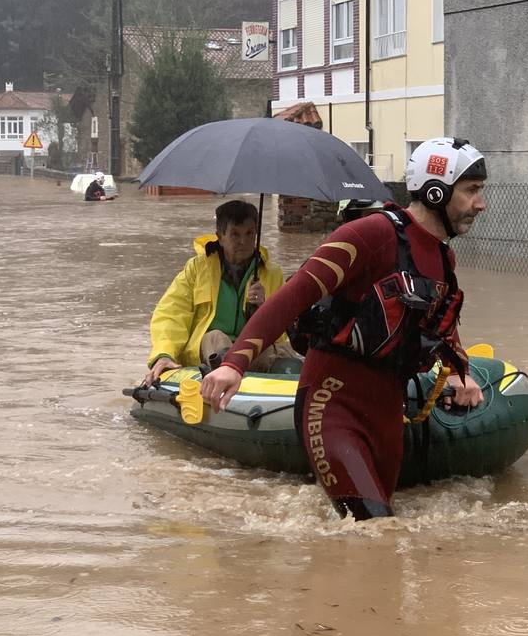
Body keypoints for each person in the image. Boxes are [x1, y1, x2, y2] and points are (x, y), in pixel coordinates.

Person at [200, 137, 488, 520]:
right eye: (471, 191)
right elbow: (292, 297)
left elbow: (439, 323)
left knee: (379, 530)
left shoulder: (442, 257)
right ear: (437, 190)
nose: (480, 204)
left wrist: (458, 373)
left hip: (387, 407)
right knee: (373, 528)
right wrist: (234, 363)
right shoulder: (369, 235)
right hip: (331, 403)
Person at [142, 200, 295, 386]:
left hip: (250, 350)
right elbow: (172, 313)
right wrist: (164, 354)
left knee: (285, 355)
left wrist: (264, 308)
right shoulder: (197, 268)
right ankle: (223, 380)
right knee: (216, 337)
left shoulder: (272, 273)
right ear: (220, 237)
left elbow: (281, 334)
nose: (243, 241)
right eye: (235, 234)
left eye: (250, 233)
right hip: (209, 351)